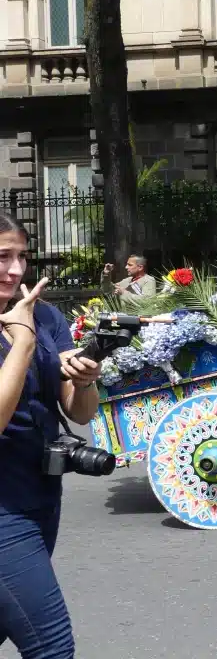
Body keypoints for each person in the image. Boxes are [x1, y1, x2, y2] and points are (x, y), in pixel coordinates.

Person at [0, 212, 104, 656]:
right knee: (51, 646)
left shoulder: (44, 316)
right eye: (3, 257)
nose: (16, 270)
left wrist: (85, 379)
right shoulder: (26, 328)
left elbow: (79, 413)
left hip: (42, 496)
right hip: (3, 513)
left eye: (22, 257)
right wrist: (21, 343)